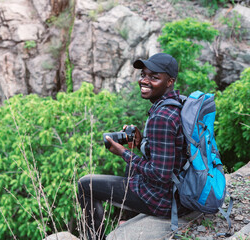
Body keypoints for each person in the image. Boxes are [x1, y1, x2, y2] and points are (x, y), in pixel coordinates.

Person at [77, 53, 190, 240]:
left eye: (154, 77)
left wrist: (123, 152)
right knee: (131, 168)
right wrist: (140, 142)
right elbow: (171, 153)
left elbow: (160, 174)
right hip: (177, 191)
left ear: (170, 81)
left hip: (164, 200)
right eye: (143, 75)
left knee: (85, 185)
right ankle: (128, 221)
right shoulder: (177, 104)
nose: (144, 81)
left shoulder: (162, 117)